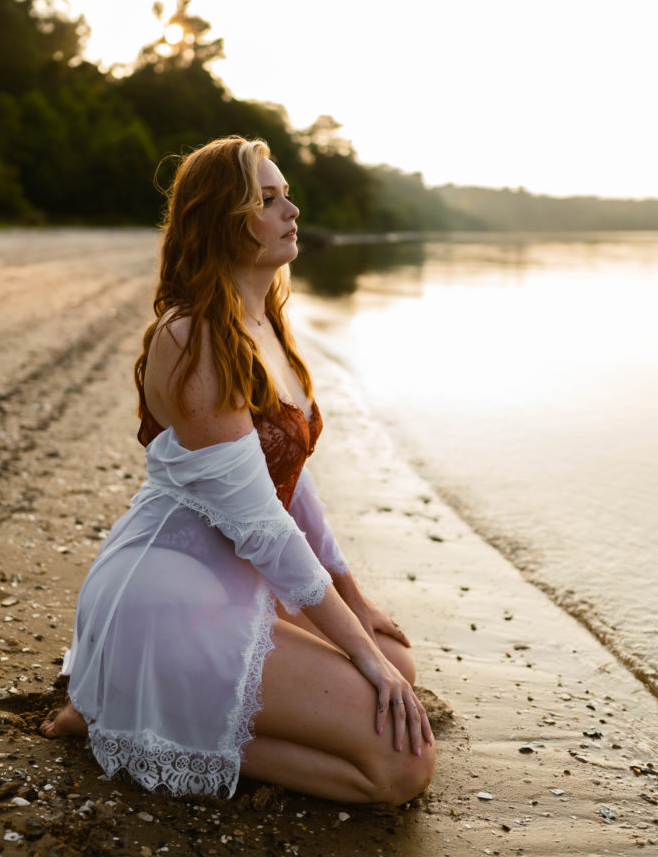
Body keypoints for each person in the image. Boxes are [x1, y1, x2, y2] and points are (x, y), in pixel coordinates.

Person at [40, 136, 435, 804]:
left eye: (286, 195)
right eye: (270, 199)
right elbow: (262, 527)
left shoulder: (263, 325)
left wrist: (356, 602)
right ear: (223, 219)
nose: (293, 209)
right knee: (399, 768)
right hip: (168, 597)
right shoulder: (193, 338)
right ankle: (124, 717)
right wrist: (356, 653)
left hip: (234, 582)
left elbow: (293, 483)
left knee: (397, 662)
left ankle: (141, 705)